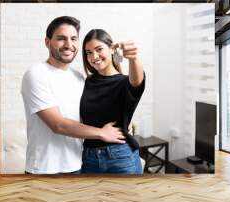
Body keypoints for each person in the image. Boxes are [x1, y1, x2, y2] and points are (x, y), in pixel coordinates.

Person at [21, 17, 125, 174]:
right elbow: (58, 124)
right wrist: (101, 133)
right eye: (61, 39)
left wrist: (122, 122)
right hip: (45, 169)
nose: (69, 45)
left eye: (73, 39)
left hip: (78, 165)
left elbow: (87, 114)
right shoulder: (36, 74)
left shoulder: (79, 77)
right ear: (47, 42)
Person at [80, 29, 145, 174]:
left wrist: (133, 58)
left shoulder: (124, 82)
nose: (94, 56)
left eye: (99, 49)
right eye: (88, 52)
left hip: (121, 156)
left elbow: (137, 82)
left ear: (111, 49)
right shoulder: (86, 82)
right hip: (89, 157)